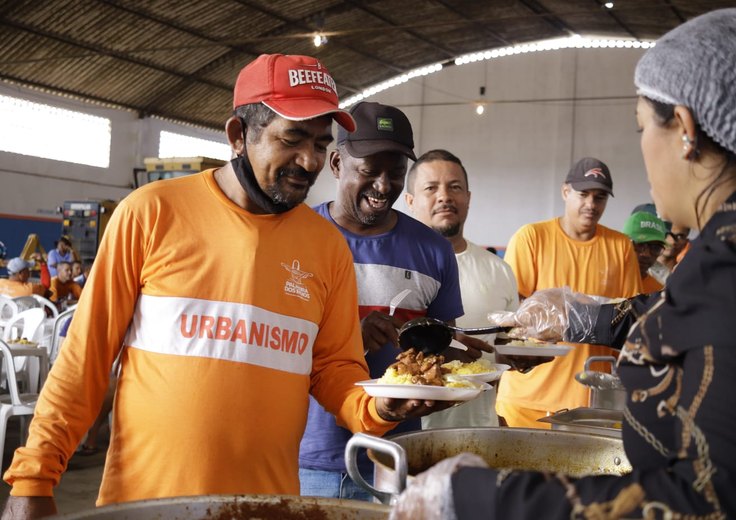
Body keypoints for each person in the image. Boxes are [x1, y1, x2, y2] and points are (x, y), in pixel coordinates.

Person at [389, 8, 736, 519]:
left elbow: (712, 503)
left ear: (686, 129)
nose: (642, 151)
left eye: (642, 126)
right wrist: (581, 316)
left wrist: (474, 498)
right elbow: (701, 328)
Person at [2, 54, 450, 518]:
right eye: (292, 139)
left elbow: (335, 369)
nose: (310, 160)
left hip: (268, 505)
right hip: (147, 504)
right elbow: (84, 359)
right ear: (239, 136)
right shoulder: (151, 214)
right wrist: (35, 478)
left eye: (320, 144)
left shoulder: (325, 247)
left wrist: (381, 407)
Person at [298, 103, 479, 501]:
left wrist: (486, 357)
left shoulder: (433, 250)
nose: (383, 186)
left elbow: (441, 347)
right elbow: (274, 346)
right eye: (368, 171)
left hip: (396, 457)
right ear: (335, 163)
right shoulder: (296, 238)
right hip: (307, 458)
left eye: (395, 173)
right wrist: (347, 339)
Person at [495, 157, 642, 427]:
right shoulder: (531, 238)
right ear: (565, 192)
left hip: (589, 404)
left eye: (600, 197)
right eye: (583, 194)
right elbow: (511, 315)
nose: (591, 204)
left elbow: (630, 317)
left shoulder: (620, 247)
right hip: (526, 401)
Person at [404, 149, 520, 429]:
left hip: (480, 432)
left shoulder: (499, 270)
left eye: (455, 187)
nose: (445, 196)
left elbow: (505, 349)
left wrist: (523, 358)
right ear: (410, 201)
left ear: (468, 198)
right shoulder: (395, 268)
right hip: (408, 437)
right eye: (431, 188)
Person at [622, 210, 668, 293]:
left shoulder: (657, 293)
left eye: (656, 248)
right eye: (639, 244)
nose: (646, 254)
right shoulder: (598, 280)